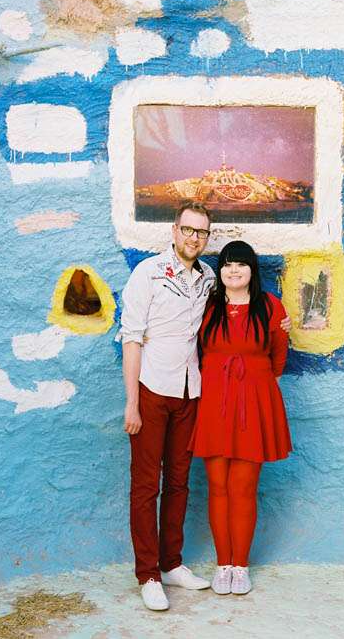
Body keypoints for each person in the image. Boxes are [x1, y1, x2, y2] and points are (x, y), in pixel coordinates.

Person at [121, 200, 215, 610]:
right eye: (188, 229)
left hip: (190, 392)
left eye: (202, 232)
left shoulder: (209, 278)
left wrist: (276, 321)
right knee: (146, 486)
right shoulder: (149, 273)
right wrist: (132, 403)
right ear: (174, 231)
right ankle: (148, 574)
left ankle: (172, 563)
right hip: (151, 389)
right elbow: (132, 338)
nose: (194, 237)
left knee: (179, 481)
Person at [189, 240, 292, 596]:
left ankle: (241, 566)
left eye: (241, 264)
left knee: (244, 487)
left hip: (253, 403)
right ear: (220, 271)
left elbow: (278, 359)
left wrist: (253, 384)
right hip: (214, 402)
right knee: (217, 486)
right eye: (228, 264)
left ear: (252, 270)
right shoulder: (207, 306)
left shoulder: (271, 307)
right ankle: (223, 565)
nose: (234, 271)